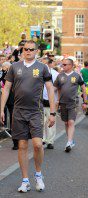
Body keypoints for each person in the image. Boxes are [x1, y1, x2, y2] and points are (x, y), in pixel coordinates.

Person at [0, 40, 56, 192]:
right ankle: (25, 180)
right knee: (22, 145)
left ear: (36, 51)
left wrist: (52, 112)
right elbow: (6, 89)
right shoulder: (14, 67)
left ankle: (38, 175)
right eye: (26, 49)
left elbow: (50, 90)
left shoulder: (43, 68)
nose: (28, 51)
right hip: (18, 111)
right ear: (23, 50)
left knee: (38, 144)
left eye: (32, 49)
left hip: (35, 111)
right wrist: (1, 109)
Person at [54, 58, 88, 152]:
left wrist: (85, 102)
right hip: (62, 103)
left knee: (71, 122)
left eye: (65, 64)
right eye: (62, 64)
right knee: (66, 123)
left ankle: (69, 142)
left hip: (73, 102)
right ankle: (70, 140)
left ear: (71, 65)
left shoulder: (77, 76)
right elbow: (54, 88)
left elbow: (83, 89)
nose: (63, 66)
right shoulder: (60, 76)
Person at [42, 57, 59, 149]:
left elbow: (58, 87)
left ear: (49, 64)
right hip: (40, 101)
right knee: (41, 122)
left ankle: (50, 141)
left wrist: (58, 100)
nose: (42, 65)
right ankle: (43, 139)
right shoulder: (38, 72)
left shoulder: (55, 74)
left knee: (51, 121)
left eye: (44, 63)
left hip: (50, 101)